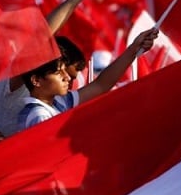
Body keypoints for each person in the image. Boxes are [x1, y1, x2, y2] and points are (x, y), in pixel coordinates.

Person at [0, 0, 101, 137]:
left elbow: (101, 86)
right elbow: (43, 34)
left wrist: (134, 48)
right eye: (62, 72)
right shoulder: (14, 80)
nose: (67, 80)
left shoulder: (56, 102)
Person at [18, 27, 158, 130]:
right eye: (58, 73)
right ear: (36, 81)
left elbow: (101, 86)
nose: (66, 77)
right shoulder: (39, 116)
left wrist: (133, 49)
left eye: (64, 71)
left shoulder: (59, 102)